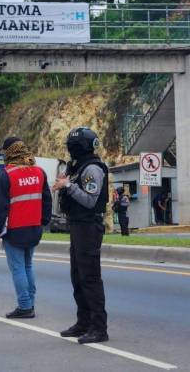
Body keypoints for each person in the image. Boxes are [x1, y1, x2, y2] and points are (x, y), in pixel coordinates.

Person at [52, 127, 109, 344]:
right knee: (77, 276)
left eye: (72, 147)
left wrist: (68, 185)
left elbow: (90, 201)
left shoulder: (92, 169)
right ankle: (83, 322)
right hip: (77, 226)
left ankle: (99, 328)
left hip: (88, 226)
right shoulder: (77, 167)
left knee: (90, 278)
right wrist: (66, 182)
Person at [0, 137, 52, 318]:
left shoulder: (6, 174)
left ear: (9, 152)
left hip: (15, 229)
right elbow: (47, 200)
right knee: (27, 265)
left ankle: (25, 306)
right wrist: (43, 222)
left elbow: (0, 207)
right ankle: (30, 303)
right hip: (34, 228)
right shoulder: (39, 172)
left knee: (18, 268)